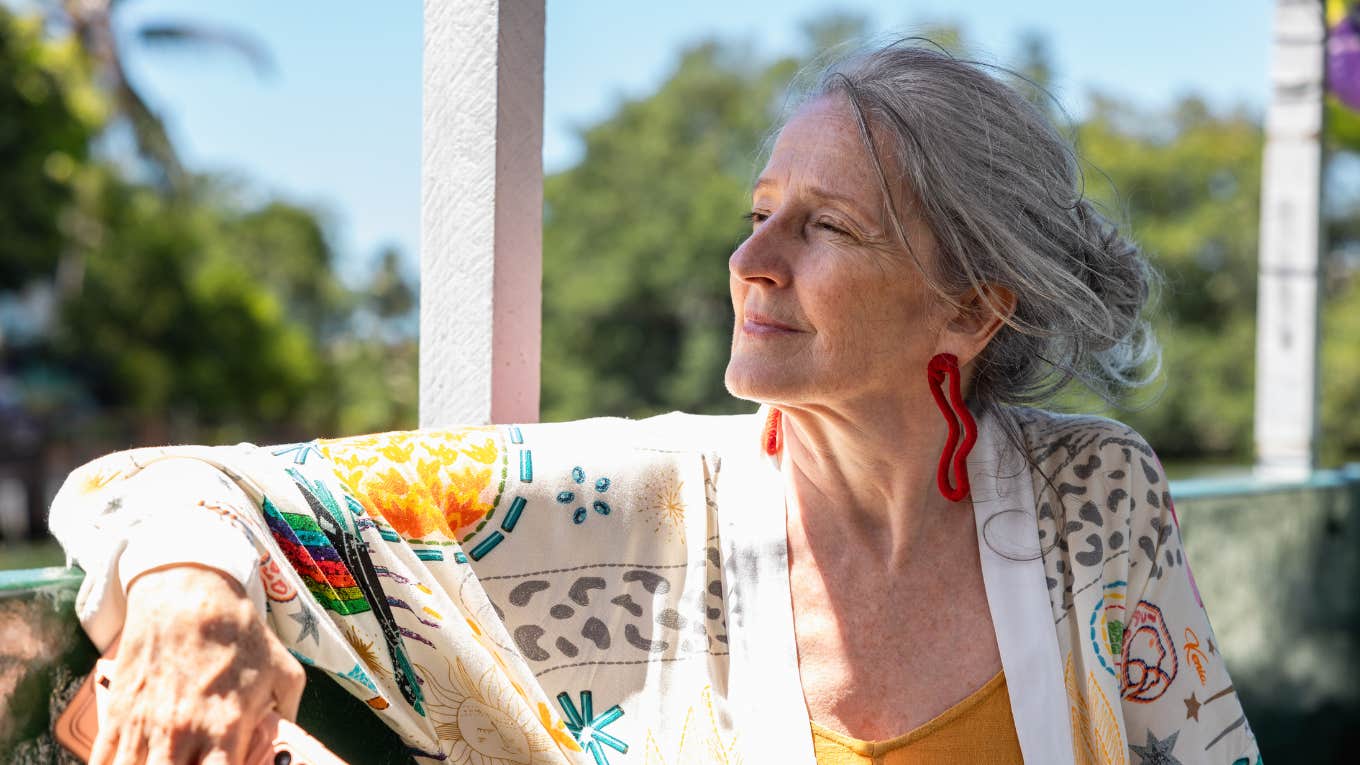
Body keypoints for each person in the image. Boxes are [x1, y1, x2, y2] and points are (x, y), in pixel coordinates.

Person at [51, 43, 1260, 765]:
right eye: (757, 213)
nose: (752, 261)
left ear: (969, 308)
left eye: (824, 226)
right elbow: (164, 485)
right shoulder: (624, 504)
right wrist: (191, 608)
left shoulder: (1090, 497)